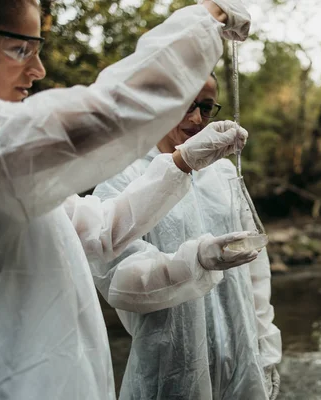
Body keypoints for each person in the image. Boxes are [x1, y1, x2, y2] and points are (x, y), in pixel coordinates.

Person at [0, 0, 252, 398]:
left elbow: (100, 229)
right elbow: (110, 112)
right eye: (22, 49)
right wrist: (207, 17)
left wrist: (180, 163)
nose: (38, 71)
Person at [90, 73, 282, 400]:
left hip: (242, 368)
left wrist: (267, 349)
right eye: (185, 105)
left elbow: (256, 273)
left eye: (206, 108)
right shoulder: (125, 176)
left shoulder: (223, 173)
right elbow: (118, 281)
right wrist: (197, 260)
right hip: (170, 374)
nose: (196, 119)